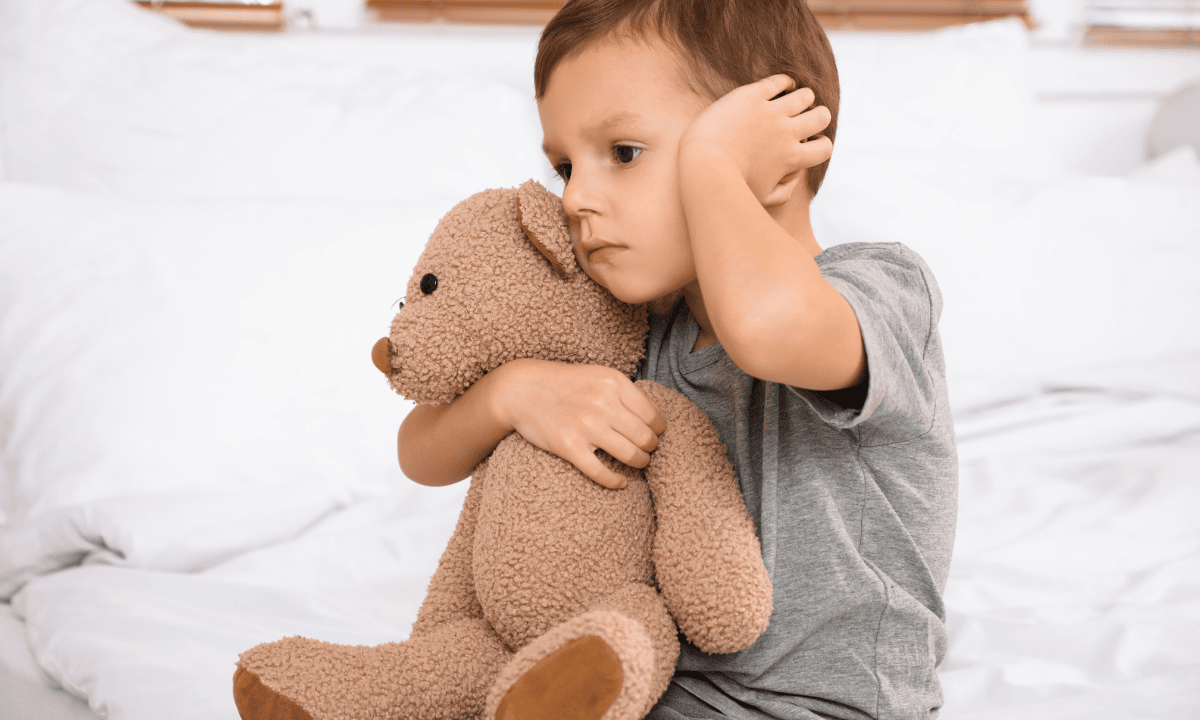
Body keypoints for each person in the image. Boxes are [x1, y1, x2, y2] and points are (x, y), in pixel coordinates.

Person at [398, 0, 958, 718]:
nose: (576, 198)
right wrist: (512, 393)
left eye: (623, 153)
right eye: (565, 165)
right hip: (644, 688)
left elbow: (761, 327)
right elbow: (421, 453)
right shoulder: (635, 332)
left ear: (774, 162)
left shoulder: (881, 292)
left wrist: (714, 160)